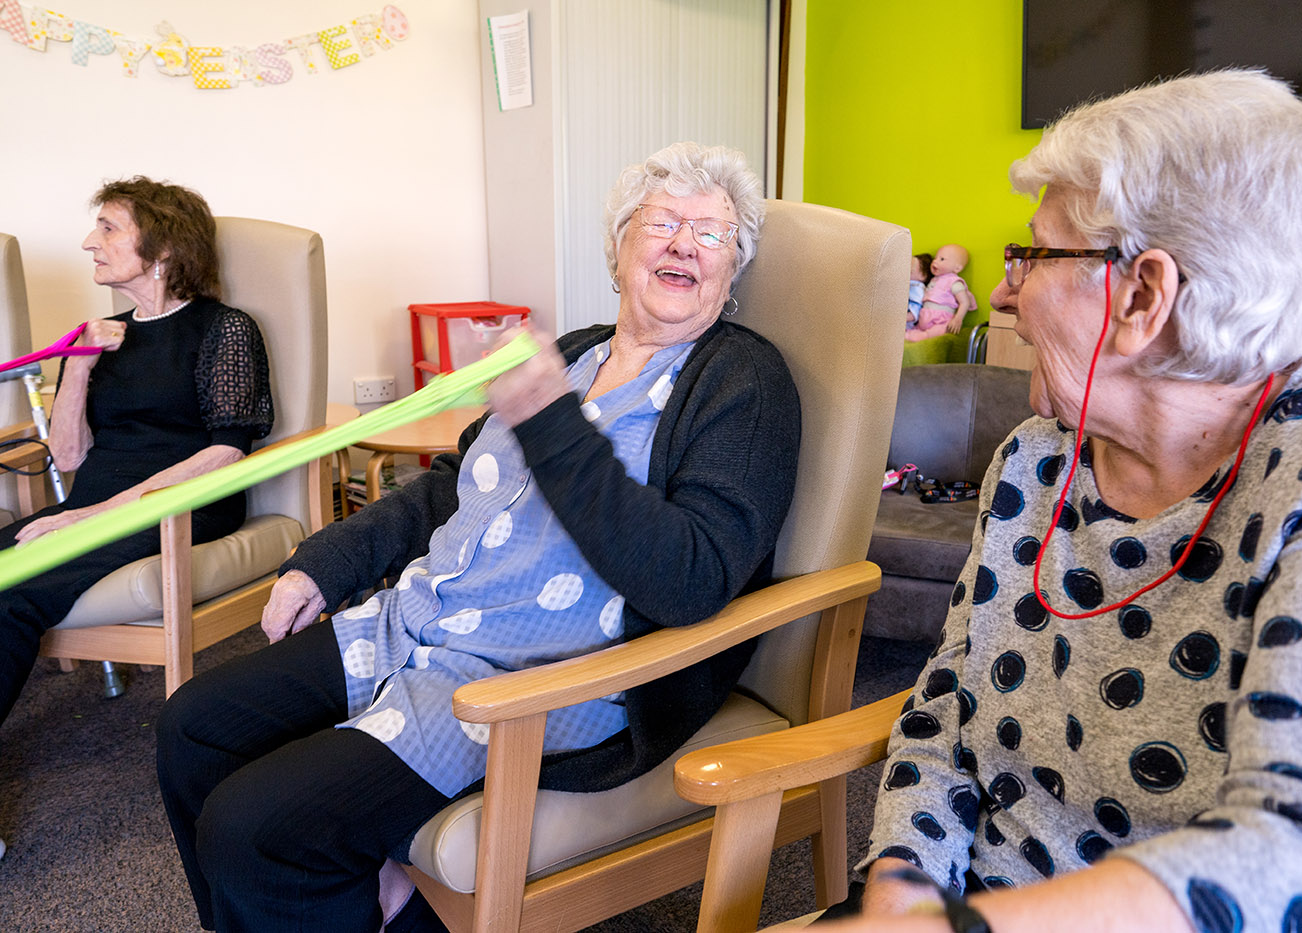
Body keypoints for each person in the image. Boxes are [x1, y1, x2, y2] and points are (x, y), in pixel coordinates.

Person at [155, 141, 801, 932]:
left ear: (732, 271)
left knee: (258, 831)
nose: (683, 243)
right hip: (418, 620)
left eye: (713, 234)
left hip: (535, 677)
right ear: (619, 244)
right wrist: (327, 564)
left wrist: (551, 421)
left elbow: (693, 577)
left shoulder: (742, 380)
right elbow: (446, 486)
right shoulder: (572, 353)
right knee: (192, 729)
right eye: (663, 220)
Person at [829, 70, 1302, 933]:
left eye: (1033, 254)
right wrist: (903, 894)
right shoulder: (1035, 462)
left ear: (1143, 296)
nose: (1002, 292)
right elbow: (946, 706)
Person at [0, 178, 272, 856]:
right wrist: (81, 366)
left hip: (179, 508)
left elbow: (226, 448)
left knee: (13, 597)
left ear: (164, 243)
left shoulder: (224, 328)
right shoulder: (104, 335)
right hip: (91, 510)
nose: (91, 241)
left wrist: (102, 513)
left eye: (110, 227)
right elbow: (66, 452)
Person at [906, 244, 975, 341]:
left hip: (941, 321)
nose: (935, 261)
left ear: (957, 268)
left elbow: (965, 302)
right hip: (924, 318)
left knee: (940, 330)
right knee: (914, 330)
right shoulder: (934, 280)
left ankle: (923, 336)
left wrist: (958, 319)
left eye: (942, 259)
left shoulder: (954, 282)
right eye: (936, 258)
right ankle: (914, 334)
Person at [909, 252, 933, 324]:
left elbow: (914, 313)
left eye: (911, 271)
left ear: (923, 276)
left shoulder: (917, 288)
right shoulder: (909, 283)